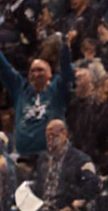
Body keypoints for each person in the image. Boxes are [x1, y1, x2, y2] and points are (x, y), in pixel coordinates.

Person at [0, 32, 75, 160]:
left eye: (40, 70)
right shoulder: (20, 89)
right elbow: (4, 68)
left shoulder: (57, 89)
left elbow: (67, 71)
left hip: (49, 157)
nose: (35, 74)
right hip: (22, 155)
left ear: (50, 74)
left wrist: (64, 47)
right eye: (32, 71)